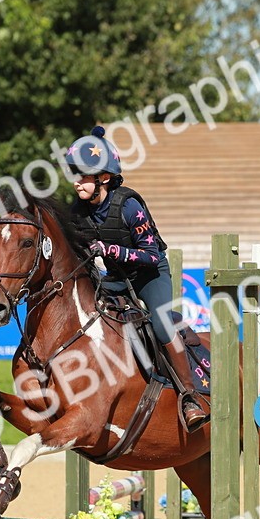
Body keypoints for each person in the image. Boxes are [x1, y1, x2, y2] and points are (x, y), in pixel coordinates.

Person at [65, 126, 208, 432]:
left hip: (149, 276)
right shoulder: (77, 211)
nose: (75, 180)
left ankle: (189, 396)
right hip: (113, 278)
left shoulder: (129, 206)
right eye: (74, 173)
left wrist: (110, 249)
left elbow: (152, 255)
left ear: (103, 177)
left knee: (159, 322)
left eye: (82, 174)